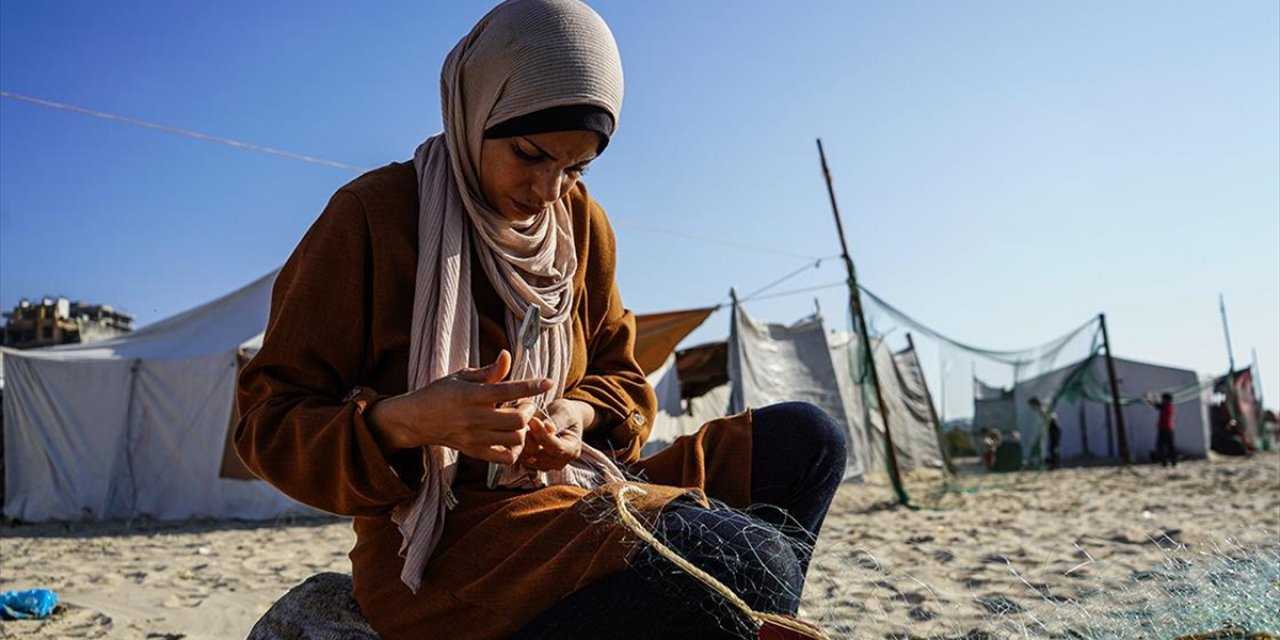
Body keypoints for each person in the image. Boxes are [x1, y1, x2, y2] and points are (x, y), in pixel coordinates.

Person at [234, 2, 847, 639]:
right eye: (530, 155)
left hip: (578, 487)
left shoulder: (581, 224)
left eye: (576, 166)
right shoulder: (374, 216)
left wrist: (573, 417)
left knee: (808, 440)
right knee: (745, 556)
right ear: (476, 111)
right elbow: (267, 422)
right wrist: (411, 420)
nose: (550, 190)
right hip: (447, 544)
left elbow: (621, 375)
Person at [1028, 397, 1061, 470]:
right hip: (1052, 427)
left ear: (1035, 404)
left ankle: (1055, 464)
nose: (1031, 408)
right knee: (1052, 446)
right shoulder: (1041, 409)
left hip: (1053, 427)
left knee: (1053, 446)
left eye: (1031, 406)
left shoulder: (1041, 409)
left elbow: (1051, 417)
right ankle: (1054, 464)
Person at [1148, 392, 1177, 467]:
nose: (1162, 400)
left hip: (1164, 429)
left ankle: (1164, 462)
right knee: (1170, 446)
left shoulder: (1166, 406)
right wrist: (1153, 398)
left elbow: (1157, 405)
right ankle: (1173, 462)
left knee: (1160, 446)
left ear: (1166, 400)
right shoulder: (1170, 406)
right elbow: (1157, 405)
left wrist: (1151, 398)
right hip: (1169, 428)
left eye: (1163, 399)